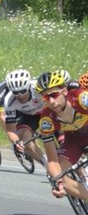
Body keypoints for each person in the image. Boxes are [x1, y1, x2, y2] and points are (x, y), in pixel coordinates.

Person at [38, 69, 88, 202]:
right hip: (73, 141)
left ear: (64, 91)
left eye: (54, 95)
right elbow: (52, 160)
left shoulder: (81, 99)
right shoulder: (46, 119)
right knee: (54, 173)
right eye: (46, 97)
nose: (51, 102)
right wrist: (59, 182)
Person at [0, 68, 48, 164]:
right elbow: (11, 131)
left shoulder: (38, 88)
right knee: (23, 139)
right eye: (15, 92)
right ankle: (47, 165)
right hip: (30, 116)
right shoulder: (9, 100)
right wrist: (16, 142)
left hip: (47, 110)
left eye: (23, 91)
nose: (20, 95)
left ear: (29, 86)